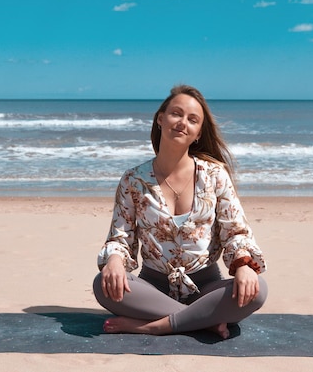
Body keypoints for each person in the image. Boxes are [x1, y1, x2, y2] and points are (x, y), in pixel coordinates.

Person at [92, 84, 268, 339]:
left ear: (198, 133)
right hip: (151, 290)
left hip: (207, 288)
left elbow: (235, 232)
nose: (182, 122)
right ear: (161, 119)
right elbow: (120, 238)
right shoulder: (133, 180)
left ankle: (157, 326)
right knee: (102, 284)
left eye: (192, 119)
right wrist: (115, 262)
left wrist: (243, 266)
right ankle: (202, 321)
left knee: (257, 290)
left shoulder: (215, 176)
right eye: (176, 114)